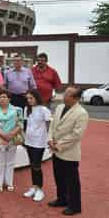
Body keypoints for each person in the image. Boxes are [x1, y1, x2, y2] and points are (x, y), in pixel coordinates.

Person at [48, 87, 88, 216]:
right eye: (64, 94)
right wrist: (50, 140)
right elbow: (53, 124)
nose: (64, 96)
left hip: (69, 153)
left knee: (72, 181)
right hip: (56, 150)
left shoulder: (82, 113)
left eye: (67, 95)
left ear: (75, 98)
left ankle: (75, 206)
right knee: (59, 177)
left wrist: (58, 145)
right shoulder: (60, 107)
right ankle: (62, 199)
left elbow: (76, 135)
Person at [0, 90, 23, 192]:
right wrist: (3, 135)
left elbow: (20, 124)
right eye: (0, 97)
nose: (2, 99)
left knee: (10, 162)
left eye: (4, 97)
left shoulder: (17, 110)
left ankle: (9, 182)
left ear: (9, 99)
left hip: (11, 139)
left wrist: (10, 135)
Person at [22, 89, 51, 202]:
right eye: (28, 98)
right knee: (32, 165)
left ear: (37, 98)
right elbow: (26, 125)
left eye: (31, 98)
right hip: (29, 141)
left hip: (39, 142)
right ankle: (34, 187)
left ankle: (40, 190)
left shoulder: (44, 110)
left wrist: (48, 140)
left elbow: (49, 126)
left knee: (37, 166)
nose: (29, 100)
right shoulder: (26, 109)